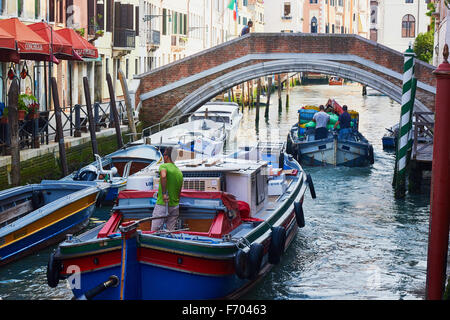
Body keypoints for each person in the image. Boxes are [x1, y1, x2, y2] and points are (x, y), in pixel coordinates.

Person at [151, 147, 184, 231]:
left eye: (164, 154)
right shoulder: (179, 172)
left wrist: (164, 194)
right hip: (175, 206)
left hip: (163, 204)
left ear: (166, 156)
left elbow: (163, 176)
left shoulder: (164, 166)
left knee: (154, 230)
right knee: (170, 231)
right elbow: (179, 191)